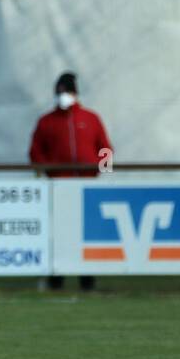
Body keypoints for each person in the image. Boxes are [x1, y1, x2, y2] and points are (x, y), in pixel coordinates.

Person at [28, 71, 113, 292]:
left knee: (86, 234)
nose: (62, 96)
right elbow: (35, 153)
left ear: (74, 93)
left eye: (65, 92)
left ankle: (88, 279)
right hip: (59, 188)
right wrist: (49, 171)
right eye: (58, 93)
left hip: (86, 187)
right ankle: (57, 278)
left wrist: (99, 171)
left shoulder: (90, 119)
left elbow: (106, 149)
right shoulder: (46, 122)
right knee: (60, 235)